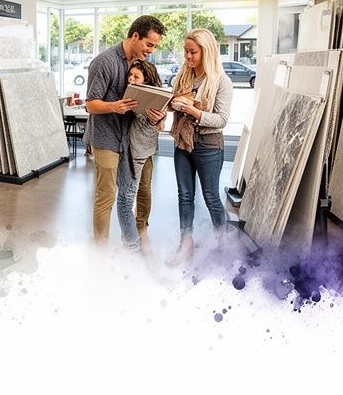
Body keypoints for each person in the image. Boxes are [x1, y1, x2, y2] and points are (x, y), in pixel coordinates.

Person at [84, 15, 167, 250]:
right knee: (106, 195)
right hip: (106, 138)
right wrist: (114, 106)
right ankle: (100, 249)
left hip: (130, 141)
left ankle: (131, 244)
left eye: (154, 46)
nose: (151, 51)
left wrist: (158, 115)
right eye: (149, 44)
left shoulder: (139, 66)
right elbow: (90, 104)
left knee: (132, 193)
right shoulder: (105, 62)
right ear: (135, 36)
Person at [166, 28, 233, 265]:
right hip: (183, 142)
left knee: (211, 197)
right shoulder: (182, 78)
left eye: (192, 52)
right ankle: (186, 243)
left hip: (209, 145)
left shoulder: (221, 82)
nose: (188, 57)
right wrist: (173, 105)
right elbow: (172, 104)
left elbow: (221, 120)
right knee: (185, 195)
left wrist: (195, 111)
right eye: (185, 51)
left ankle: (222, 243)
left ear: (207, 51)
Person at [119, 59, 164, 248]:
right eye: (130, 75)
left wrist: (157, 119)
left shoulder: (156, 95)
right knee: (127, 194)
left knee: (144, 189)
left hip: (147, 149)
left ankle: (141, 228)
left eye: (136, 76)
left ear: (147, 79)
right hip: (130, 149)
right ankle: (129, 236)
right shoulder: (127, 93)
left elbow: (161, 126)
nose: (131, 78)